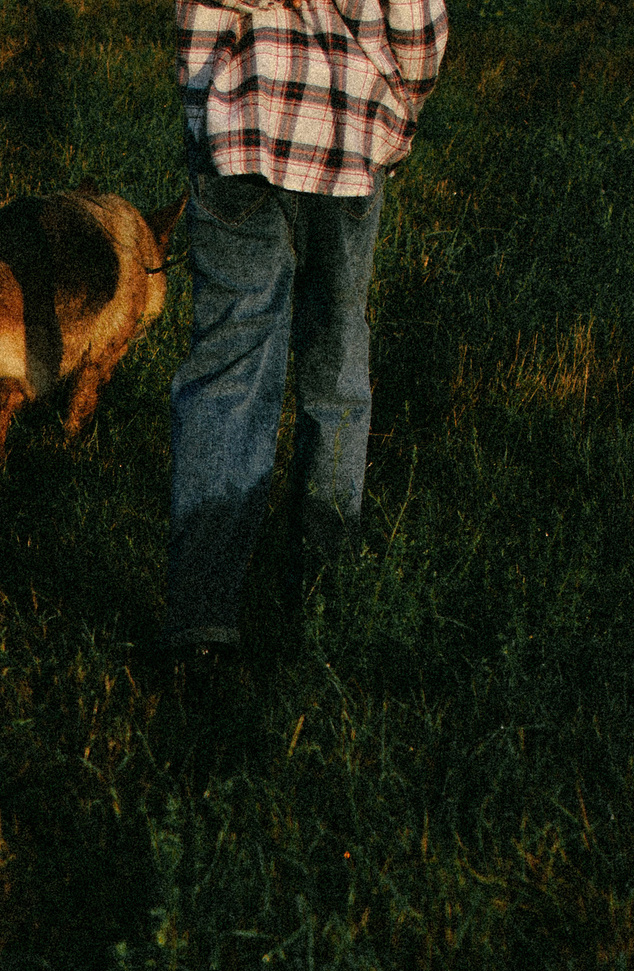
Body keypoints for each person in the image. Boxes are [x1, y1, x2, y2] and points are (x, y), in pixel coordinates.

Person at [145, 0, 450, 668]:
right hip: (348, 137)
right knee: (336, 362)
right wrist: (400, 109)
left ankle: (201, 622)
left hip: (240, 130)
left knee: (228, 365)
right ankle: (323, 591)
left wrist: (204, 110)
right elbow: (417, 30)